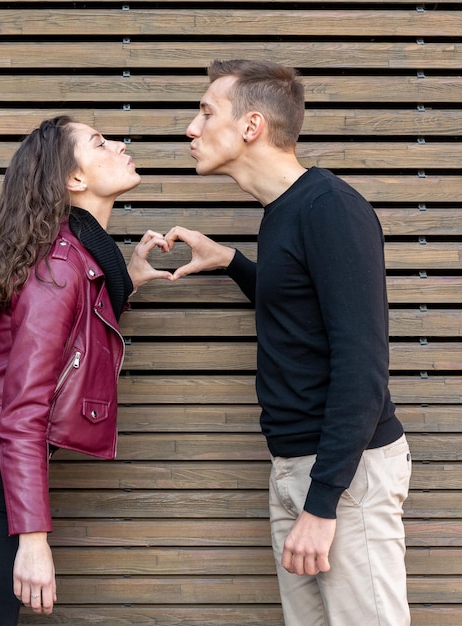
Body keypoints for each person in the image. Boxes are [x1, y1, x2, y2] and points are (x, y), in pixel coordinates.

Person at [165, 60, 411, 625]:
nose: (190, 129)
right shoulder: (282, 214)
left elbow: (363, 365)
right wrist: (230, 262)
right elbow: (301, 310)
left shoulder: (331, 208)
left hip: (343, 475)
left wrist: (323, 504)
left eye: (205, 112)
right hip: (296, 466)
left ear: (251, 126)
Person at [0, 115, 174, 625]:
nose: (120, 144)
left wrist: (127, 282)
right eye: (100, 142)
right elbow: (25, 409)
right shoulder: (61, 267)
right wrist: (33, 539)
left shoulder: (71, 260)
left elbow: (71, 342)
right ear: (74, 180)